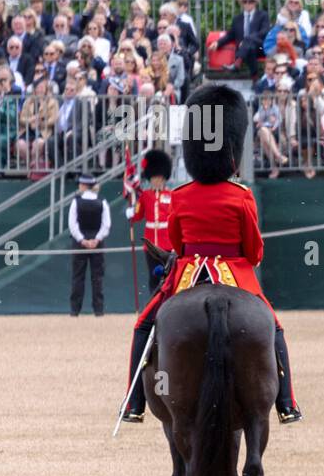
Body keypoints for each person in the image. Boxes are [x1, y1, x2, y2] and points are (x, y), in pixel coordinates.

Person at [121, 84, 302, 424]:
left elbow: (175, 240)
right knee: (274, 328)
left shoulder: (181, 194)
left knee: (143, 325)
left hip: (187, 269)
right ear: (230, 153)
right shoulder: (242, 195)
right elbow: (254, 249)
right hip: (236, 271)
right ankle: (287, 403)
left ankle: (134, 402)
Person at [125, 148, 175, 293]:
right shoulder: (145, 196)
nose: (157, 181)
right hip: (151, 244)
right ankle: (154, 306)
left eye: (159, 179)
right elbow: (139, 215)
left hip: (167, 243)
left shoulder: (171, 195)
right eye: (154, 179)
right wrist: (131, 213)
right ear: (150, 179)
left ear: (164, 178)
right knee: (154, 276)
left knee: (168, 276)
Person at [68, 172, 111, 317]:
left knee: (77, 277)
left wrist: (82, 240)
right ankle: (98, 310)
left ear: (84, 186)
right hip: (97, 243)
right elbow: (106, 224)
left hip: (80, 244)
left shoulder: (76, 201)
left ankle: (75, 310)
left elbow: (72, 224)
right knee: (97, 278)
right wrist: (96, 239)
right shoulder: (102, 201)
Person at [216, 0, 270, 76]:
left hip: (260, 48)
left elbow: (264, 31)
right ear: (242, 4)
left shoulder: (262, 15)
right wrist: (217, 43)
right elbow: (230, 35)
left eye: (251, 1)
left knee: (249, 42)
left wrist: (247, 40)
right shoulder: (237, 19)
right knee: (250, 48)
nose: (248, 4)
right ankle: (254, 77)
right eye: (245, 1)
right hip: (245, 50)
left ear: (255, 3)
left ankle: (237, 63)